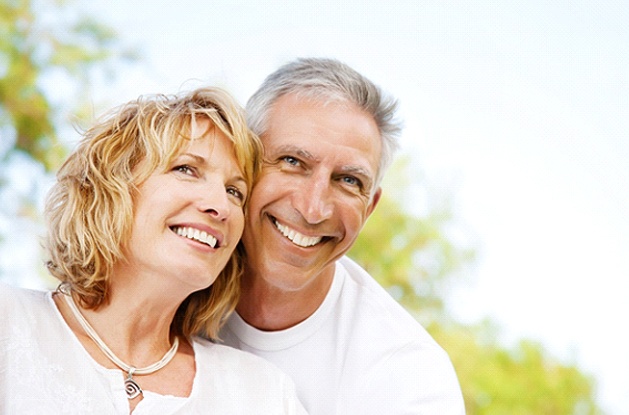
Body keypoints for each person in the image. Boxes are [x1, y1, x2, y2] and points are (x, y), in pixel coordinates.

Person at [0, 87, 307, 414]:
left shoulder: (263, 392)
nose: (220, 207)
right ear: (112, 186)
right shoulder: (10, 322)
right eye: (187, 169)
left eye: (234, 191)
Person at [218, 58, 466, 414]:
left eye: (349, 181)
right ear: (242, 160)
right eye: (292, 162)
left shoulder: (408, 377)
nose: (313, 208)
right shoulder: (167, 284)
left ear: (370, 206)